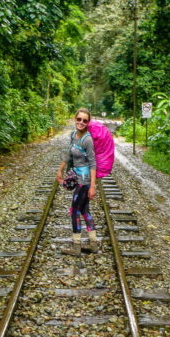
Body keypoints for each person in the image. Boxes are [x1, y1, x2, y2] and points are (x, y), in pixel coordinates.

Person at [56, 108, 98, 255]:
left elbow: (93, 163)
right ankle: (93, 244)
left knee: (75, 210)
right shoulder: (73, 135)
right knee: (84, 210)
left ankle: (76, 246)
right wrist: (61, 168)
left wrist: (92, 187)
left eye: (84, 120)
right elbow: (68, 153)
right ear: (75, 119)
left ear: (88, 123)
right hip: (79, 177)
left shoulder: (87, 140)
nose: (81, 122)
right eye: (79, 119)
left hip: (84, 180)